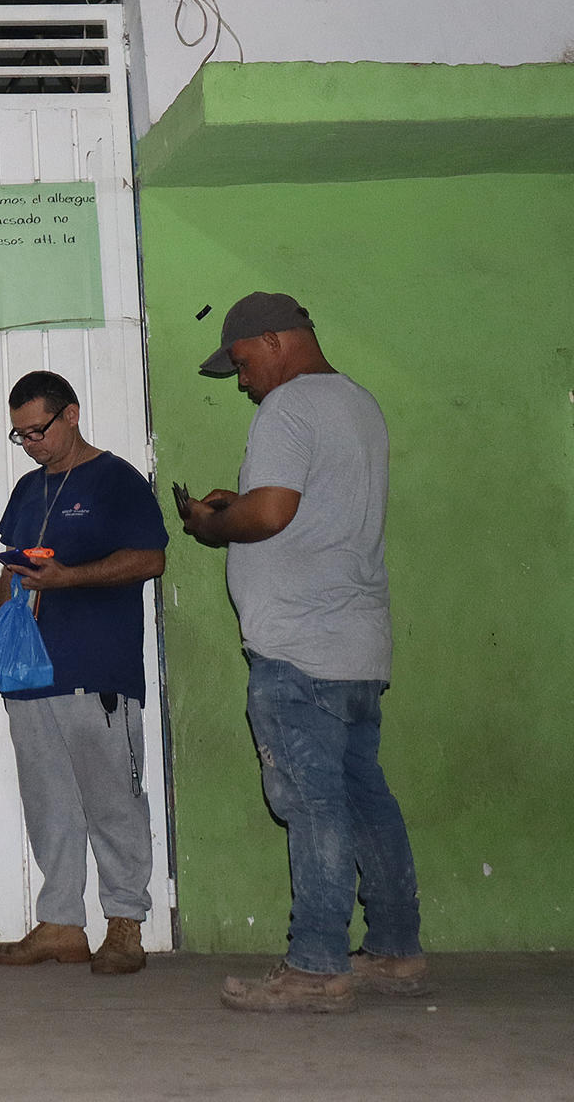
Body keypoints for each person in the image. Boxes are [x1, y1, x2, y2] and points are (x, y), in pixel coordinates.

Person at [181, 292, 424, 1013]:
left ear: (279, 340)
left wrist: (213, 523)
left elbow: (273, 513)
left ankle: (317, 965)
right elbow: (301, 506)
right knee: (363, 797)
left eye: (244, 361)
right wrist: (243, 503)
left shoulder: (286, 409)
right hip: (356, 645)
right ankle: (395, 949)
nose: (242, 378)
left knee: (313, 802)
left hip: (299, 648)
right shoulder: (358, 403)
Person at [0, 372, 166, 974]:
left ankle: (125, 923)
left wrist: (69, 578)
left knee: (114, 799)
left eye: (39, 430)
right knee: (48, 802)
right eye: (20, 435)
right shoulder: (27, 489)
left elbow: (150, 558)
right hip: (31, 673)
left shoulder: (117, 480)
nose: (32, 443)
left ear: (72, 415)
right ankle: (61, 922)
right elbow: (11, 574)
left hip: (97, 670)